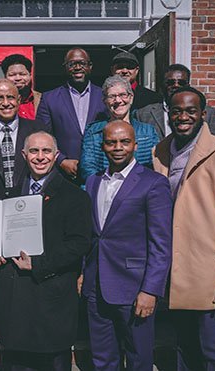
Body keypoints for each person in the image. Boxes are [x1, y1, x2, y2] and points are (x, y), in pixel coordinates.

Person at [151, 86, 215, 371]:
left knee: (214, 350)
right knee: (183, 347)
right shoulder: (160, 151)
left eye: (190, 111)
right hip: (175, 270)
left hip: (212, 274)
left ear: (204, 114)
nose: (183, 116)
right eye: (176, 111)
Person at [0, 131, 92, 371]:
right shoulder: (10, 196)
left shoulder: (75, 196)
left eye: (46, 151)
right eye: (34, 151)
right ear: (24, 155)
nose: (40, 157)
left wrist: (39, 264)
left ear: (56, 155)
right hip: (15, 299)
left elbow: (79, 244)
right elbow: (1, 238)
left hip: (50, 296)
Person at [82, 120, 172, 370]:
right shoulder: (92, 183)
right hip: (96, 286)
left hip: (134, 288)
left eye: (124, 142)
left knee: (138, 358)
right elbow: (92, 236)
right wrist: (84, 273)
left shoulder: (153, 183)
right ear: (103, 146)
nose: (118, 147)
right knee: (102, 358)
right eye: (111, 142)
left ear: (135, 144)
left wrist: (151, 290)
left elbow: (161, 243)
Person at [36, 47, 109, 183]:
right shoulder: (49, 98)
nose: (77, 67)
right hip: (63, 174)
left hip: (100, 171)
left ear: (90, 66)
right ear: (65, 68)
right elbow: (42, 136)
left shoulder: (105, 97)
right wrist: (61, 160)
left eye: (82, 63)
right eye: (72, 64)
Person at [0, 79, 48, 197]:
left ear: (19, 100)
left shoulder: (38, 129)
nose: (6, 103)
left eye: (10, 97)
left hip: (28, 200)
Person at [79, 75, 159, 180]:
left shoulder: (148, 132)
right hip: (103, 188)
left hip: (139, 190)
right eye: (112, 96)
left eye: (123, 95)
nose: (118, 100)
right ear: (105, 101)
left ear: (131, 98)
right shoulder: (94, 131)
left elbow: (155, 167)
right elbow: (88, 169)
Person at [135, 64, 215, 140]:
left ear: (188, 85)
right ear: (162, 85)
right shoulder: (143, 113)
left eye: (181, 82)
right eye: (170, 82)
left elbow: (214, 143)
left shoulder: (206, 112)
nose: (176, 85)